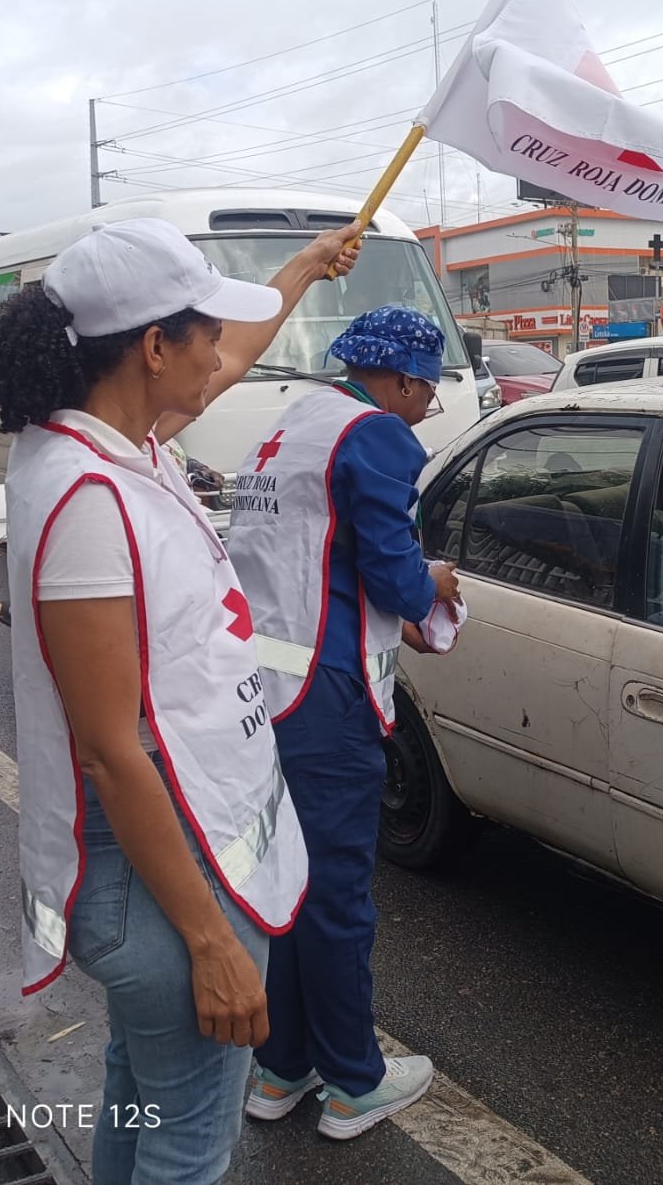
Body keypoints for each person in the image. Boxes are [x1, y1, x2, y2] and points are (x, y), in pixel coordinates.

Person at [0, 215, 362, 1183]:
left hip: (172, 845)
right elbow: (111, 748)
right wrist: (208, 943)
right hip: (158, 870)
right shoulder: (88, 503)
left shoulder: (114, 444)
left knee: (139, 1092)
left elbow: (231, 357)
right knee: (190, 1144)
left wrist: (303, 270)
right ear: (154, 347)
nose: (219, 360)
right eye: (201, 335)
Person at [227, 306, 460, 1141]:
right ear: (397, 378)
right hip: (327, 695)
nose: (427, 407)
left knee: (288, 882)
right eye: (427, 390)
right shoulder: (374, 435)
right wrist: (434, 582)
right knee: (337, 895)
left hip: (267, 684)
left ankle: (282, 1065)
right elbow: (396, 575)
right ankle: (355, 1081)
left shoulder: (292, 424)